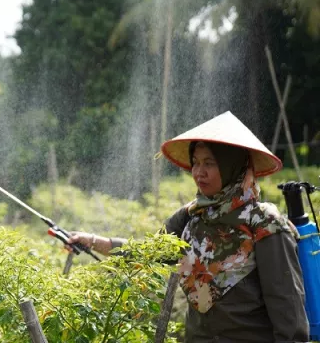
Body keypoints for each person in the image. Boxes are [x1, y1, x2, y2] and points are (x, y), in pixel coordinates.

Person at [68, 111, 310, 342]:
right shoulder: (191, 216)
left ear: (231, 166)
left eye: (210, 164)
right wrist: (93, 241)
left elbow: (286, 304)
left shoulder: (265, 223)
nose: (198, 173)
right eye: (195, 163)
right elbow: (148, 253)